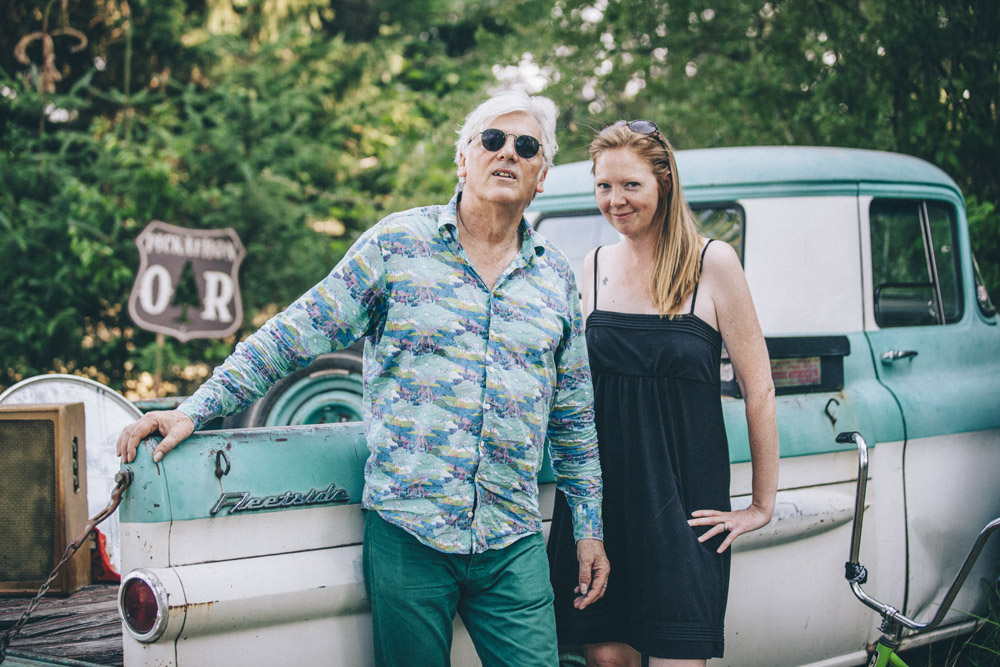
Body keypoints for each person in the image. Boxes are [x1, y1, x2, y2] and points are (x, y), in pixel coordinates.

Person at [116, 90, 610, 667]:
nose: (508, 154)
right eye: (492, 140)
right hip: (408, 534)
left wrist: (590, 527)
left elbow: (575, 415)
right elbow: (293, 334)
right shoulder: (396, 245)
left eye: (526, 147)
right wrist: (196, 408)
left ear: (541, 176)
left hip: (512, 537)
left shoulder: (554, 276)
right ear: (463, 160)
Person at [546, 121, 779, 667]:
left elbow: (759, 387)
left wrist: (761, 506)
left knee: (680, 658)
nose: (614, 200)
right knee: (607, 659)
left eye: (630, 185)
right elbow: (572, 382)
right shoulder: (595, 266)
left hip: (681, 506)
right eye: (603, 186)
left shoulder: (712, 263)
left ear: (664, 182)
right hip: (601, 506)